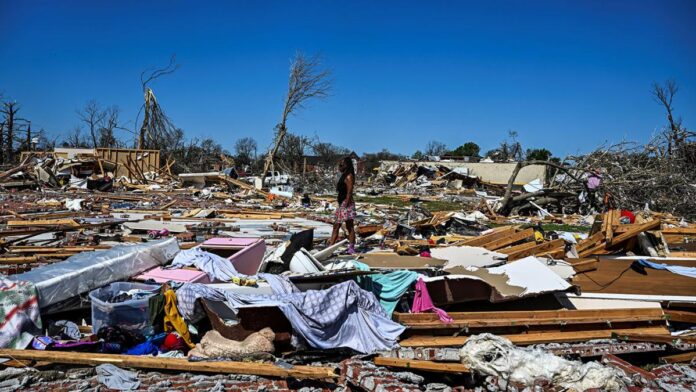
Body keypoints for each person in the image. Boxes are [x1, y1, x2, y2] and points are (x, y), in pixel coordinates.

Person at [329, 156, 356, 253]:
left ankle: (351, 247)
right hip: (341, 203)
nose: (340, 165)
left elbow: (349, 191)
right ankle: (331, 246)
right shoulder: (343, 175)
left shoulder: (349, 176)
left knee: (349, 226)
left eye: (342, 163)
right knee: (336, 225)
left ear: (347, 164)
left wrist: (345, 205)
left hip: (346, 203)